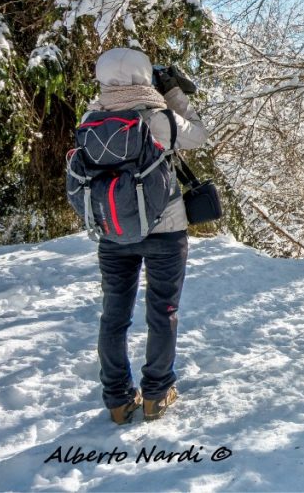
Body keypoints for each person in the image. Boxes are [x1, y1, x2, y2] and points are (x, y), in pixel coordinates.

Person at [86, 47, 207, 424]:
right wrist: (174, 95)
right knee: (163, 311)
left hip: (113, 232)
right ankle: (156, 393)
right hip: (165, 230)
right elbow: (200, 135)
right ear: (143, 76)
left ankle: (118, 400)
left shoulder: (91, 118)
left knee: (113, 316)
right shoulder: (160, 118)